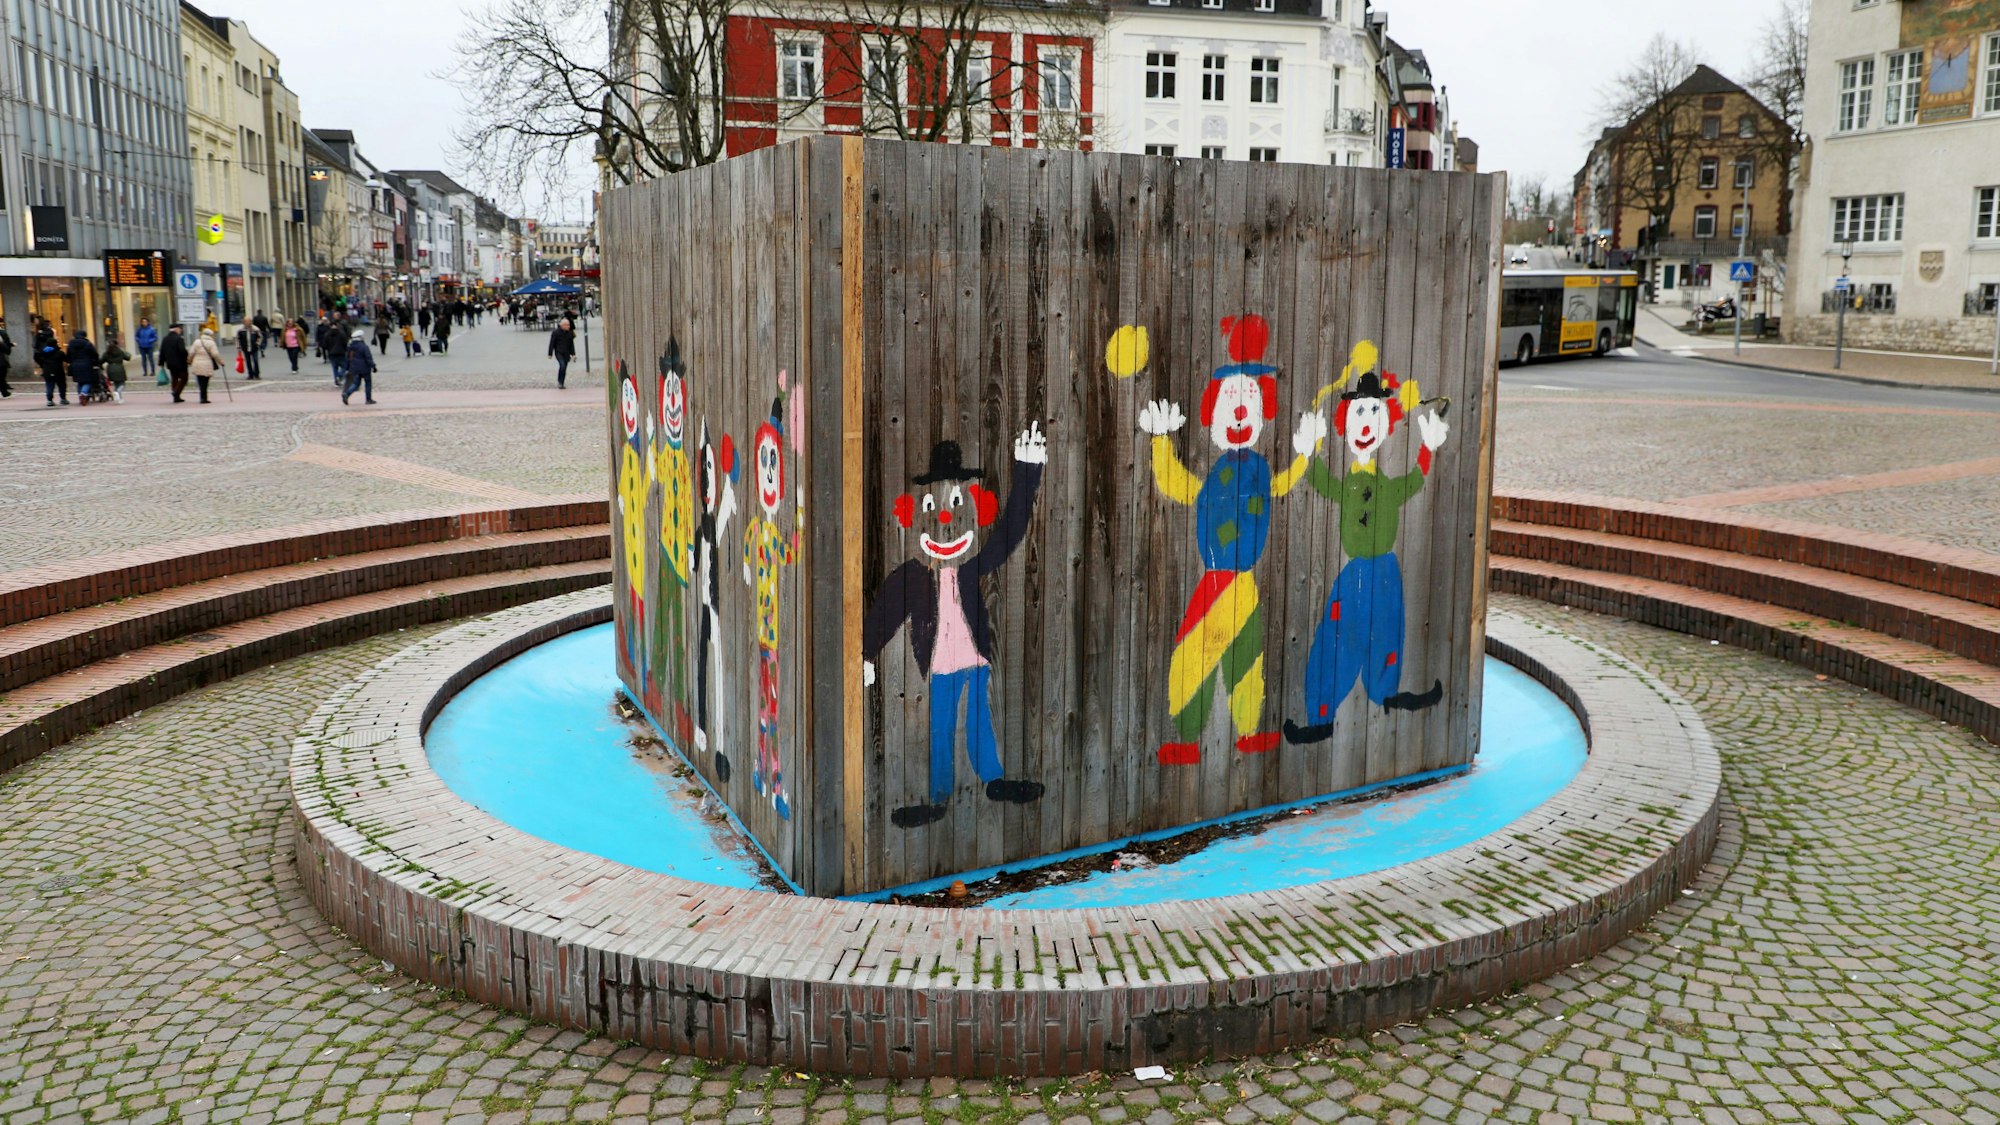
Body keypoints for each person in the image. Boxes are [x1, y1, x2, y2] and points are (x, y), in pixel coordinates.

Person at [35, 318, 68, 406]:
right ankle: (63, 399)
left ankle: (49, 400)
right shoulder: (59, 353)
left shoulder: (43, 352)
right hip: (58, 371)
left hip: (47, 370)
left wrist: (42, 365)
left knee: (49, 385)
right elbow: (67, 359)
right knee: (61, 385)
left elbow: (38, 357)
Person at [188, 326, 224, 404]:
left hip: (197, 363)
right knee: (205, 382)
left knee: (200, 381)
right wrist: (221, 362)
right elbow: (215, 354)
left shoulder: (196, 342)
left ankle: (202, 397)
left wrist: (189, 361)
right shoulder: (211, 343)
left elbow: (191, 353)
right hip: (207, 363)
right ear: (210, 335)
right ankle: (204, 398)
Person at [341, 327, 376, 405]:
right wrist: (373, 366)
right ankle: (368, 399)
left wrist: (347, 368)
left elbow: (348, 358)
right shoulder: (364, 347)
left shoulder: (350, 347)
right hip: (365, 368)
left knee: (356, 383)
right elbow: (368, 357)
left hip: (355, 368)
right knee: (368, 383)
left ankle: (347, 394)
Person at [67, 329, 102, 404]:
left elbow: (68, 355)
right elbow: (94, 354)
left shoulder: (71, 344)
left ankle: (80, 395)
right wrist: (96, 362)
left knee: (79, 382)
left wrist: (71, 362)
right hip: (86, 364)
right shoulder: (87, 343)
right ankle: (84, 393)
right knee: (87, 381)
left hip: (75, 364)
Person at [160, 323, 191, 402]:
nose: (181, 330)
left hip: (170, 363)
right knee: (184, 378)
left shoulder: (165, 339)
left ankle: (176, 397)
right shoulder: (179, 338)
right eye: (180, 329)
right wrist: (187, 359)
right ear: (176, 329)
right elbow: (182, 351)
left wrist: (161, 362)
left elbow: (162, 351)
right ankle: (176, 392)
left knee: (174, 379)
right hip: (180, 363)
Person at [101, 334, 131, 403]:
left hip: (110, 369)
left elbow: (101, 361)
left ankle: (119, 398)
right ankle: (117, 392)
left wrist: (101, 368)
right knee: (122, 383)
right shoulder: (120, 351)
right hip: (119, 368)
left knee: (116, 383)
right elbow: (127, 358)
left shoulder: (107, 353)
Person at [548, 317, 576, 388]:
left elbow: (571, 345)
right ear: (562, 325)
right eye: (567, 325)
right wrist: (550, 353)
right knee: (562, 365)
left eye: (569, 325)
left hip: (567, 353)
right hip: (559, 352)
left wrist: (573, 354)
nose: (569, 327)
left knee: (564, 368)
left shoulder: (569, 333)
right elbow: (552, 343)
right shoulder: (556, 333)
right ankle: (559, 382)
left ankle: (562, 382)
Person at [134, 317, 158, 385]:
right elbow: (136, 336)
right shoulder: (140, 329)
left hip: (149, 346)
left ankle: (153, 371)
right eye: (143, 322)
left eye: (145, 321)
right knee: (143, 359)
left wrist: (150, 341)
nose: (144, 323)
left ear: (148, 322)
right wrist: (139, 340)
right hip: (142, 346)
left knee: (151, 359)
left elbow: (155, 337)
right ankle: (145, 372)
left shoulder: (151, 329)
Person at [0, 313, 14, 397]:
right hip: (1, 360)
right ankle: (4, 391)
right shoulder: (2, 333)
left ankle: (4, 391)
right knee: (1, 376)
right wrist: (9, 347)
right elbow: (5, 346)